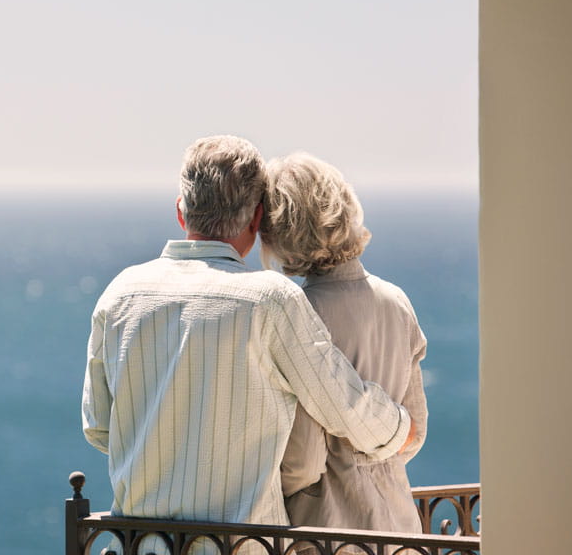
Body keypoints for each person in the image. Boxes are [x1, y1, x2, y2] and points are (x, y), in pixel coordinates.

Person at [81, 136, 415, 550]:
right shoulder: (271, 300)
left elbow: (98, 427)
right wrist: (401, 427)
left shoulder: (120, 294)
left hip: (142, 545)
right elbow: (344, 405)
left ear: (181, 211)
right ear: (256, 220)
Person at [261, 153, 428, 541]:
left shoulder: (299, 314)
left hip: (329, 526)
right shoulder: (397, 301)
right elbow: (414, 433)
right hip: (400, 523)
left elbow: (302, 461)